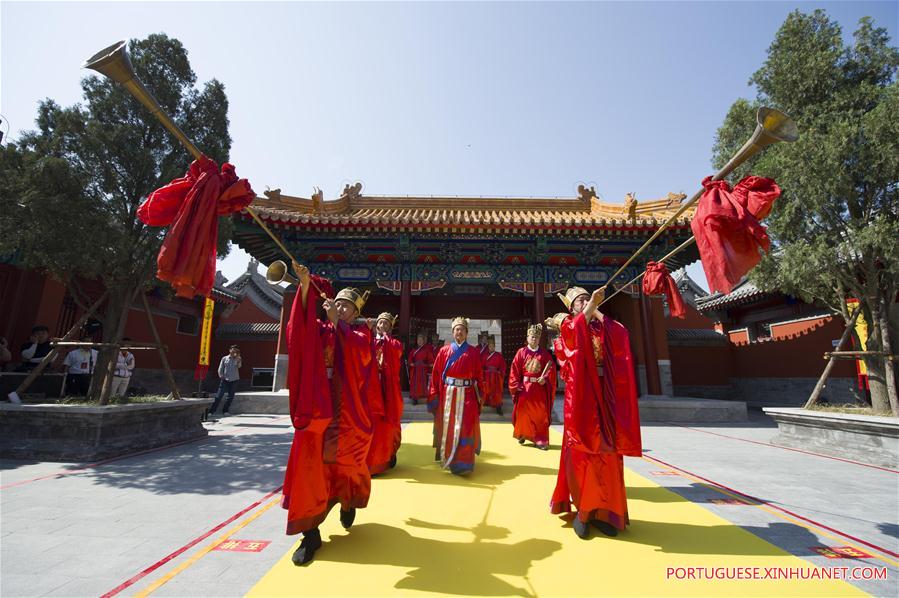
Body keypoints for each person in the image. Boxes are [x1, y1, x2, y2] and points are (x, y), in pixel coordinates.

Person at [282, 261, 376, 566]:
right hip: (317, 411)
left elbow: (361, 358)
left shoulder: (360, 335)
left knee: (349, 466)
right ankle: (310, 534)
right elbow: (299, 331)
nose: (341, 309)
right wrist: (306, 287)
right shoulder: (320, 330)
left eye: (347, 307)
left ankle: (348, 501)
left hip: (347, 413)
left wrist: (339, 325)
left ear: (356, 313)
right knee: (310, 471)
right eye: (338, 304)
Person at [549, 287, 642, 539]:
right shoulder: (568, 328)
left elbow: (621, 333)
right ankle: (584, 511)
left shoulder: (603, 328)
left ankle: (606, 510)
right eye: (579, 301)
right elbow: (572, 345)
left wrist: (598, 311)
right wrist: (589, 308)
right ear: (571, 307)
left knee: (608, 452)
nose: (584, 302)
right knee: (583, 454)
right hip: (581, 401)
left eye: (585, 299)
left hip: (606, 396)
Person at [428, 316, 485, 475]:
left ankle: (464, 463)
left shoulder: (473, 352)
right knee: (450, 427)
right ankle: (448, 458)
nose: (459, 332)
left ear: (467, 333)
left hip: (467, 396)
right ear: (452, 332)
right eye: (456, 329)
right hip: (448, 395)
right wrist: (434, 395)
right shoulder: (444, 351)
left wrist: (480, 394)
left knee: (465, 428)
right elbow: (436, 375)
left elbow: (479, 376)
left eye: (462, 329)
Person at [508, 324, 556, 450]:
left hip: (539, 390)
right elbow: (514, 370)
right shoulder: (521, 352)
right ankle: (523, 434)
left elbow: (551, 370)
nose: (534, 339)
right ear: (527, 337)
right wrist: (516, 385)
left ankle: (540, 439)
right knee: (523, 414)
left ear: (539, 339)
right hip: (525, 388)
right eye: (532, 336)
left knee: (540, 415)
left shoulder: (545, 354)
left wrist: (545, 379)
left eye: (536, 337)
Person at [367, 312, 404, 475]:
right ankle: (367, 461)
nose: (383, 326)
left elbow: (396, 355)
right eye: (381, 323)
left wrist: (386, 340)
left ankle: (383, 459)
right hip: (370, 389)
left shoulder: (394, 343)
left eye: (387, 325)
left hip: (386, 389)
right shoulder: (368, 341)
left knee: (385, 424)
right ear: (376, 325)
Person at [210, 345, 241, 416]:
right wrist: (220, 375)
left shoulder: (238, 358)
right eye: (233, 349)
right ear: (230, 350)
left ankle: (225, 410)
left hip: (234, 379)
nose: (233, 351)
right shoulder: (224, 358)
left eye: (235, 350)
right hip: (225, 379)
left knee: (230, 396)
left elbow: (239, 366)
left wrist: (237, 359)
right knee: (219, 395)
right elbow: (221, 367)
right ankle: (211, 411)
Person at [482, 335, 507, 415]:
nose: (491, 348)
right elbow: (481, 366)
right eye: (490, 346)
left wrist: (500, 373)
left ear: (495, 347)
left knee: (497, 392)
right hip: (486, 376)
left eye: (493, 346)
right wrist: (483, 373)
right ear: (488, 347)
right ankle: (485, 403)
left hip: (496, 376)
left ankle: (498, 406)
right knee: (485, 390)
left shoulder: (498, 355)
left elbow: (503, 366)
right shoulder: (484, 356)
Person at [407, 332, 434, 405]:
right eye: (418, 340)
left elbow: (431, 360)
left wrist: (429, 364)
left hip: (423, 370)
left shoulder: (427, 351)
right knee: (414, 384)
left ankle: (423, 396)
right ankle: (414, 398)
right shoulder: (413, 351)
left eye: (420, 340)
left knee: (423, 384)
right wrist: (411, 363)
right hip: (415, 370)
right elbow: (410, 360)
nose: (419, 341)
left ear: (424, 341)